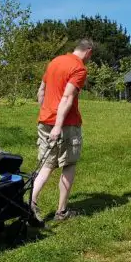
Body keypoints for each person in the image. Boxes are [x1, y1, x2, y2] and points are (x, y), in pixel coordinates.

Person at [30, 39, 93, 223]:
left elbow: (41, 92)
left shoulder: (54, 62)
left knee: (46, 165)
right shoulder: (79, 68)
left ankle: (30, 203)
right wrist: (57, 125)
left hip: (44, 121)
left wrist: (46, 113)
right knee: (69, 164)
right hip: (66, 124)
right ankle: (61, 212)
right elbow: (67, 97)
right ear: (88, 52)